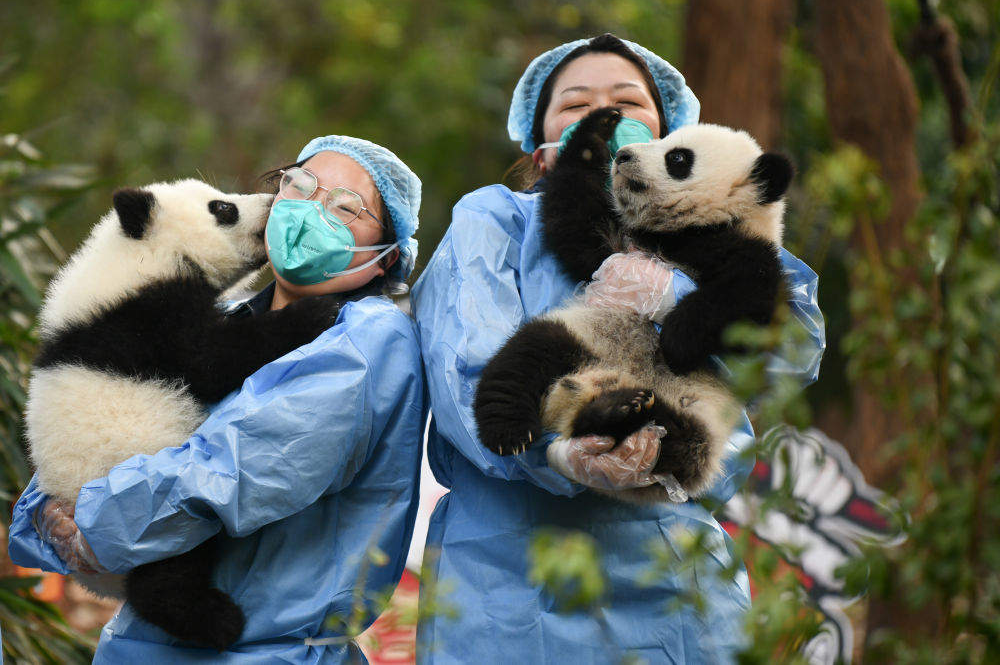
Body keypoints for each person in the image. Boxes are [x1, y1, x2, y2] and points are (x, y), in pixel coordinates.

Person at [411, 34, 825, 663]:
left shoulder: (723, 219)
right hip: (510, 587)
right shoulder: (492, 220)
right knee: (542, 356)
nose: (607, 118)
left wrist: (677, 295)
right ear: (537, 141)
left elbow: (789, 347)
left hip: (673, 574)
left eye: (629, 103)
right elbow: (465, 369)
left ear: (673, 132)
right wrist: (559, 457)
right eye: (575, 107)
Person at [8, 136, 426, 663]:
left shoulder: (367, 343)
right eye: (298, 186)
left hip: (263, 651)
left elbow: (228, 477)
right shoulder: (230, 319)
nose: (302, 210)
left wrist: (92, 518)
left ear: (386, 258)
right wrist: (54, 509)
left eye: (345, 207)